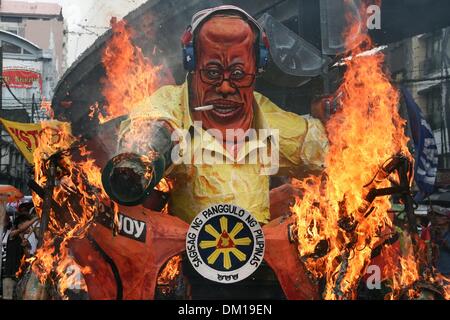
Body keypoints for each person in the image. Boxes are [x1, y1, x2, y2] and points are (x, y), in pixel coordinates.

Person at [103, 5, 329, 225]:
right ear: (192, 62)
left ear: (257, 65)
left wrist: (341, 116)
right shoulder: (172, 105)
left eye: (238, 74)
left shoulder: (263, 114)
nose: (225, 88)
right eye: (212, 73)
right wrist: (139, 161)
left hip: (256, 254)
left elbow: (319, 148)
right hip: (185, 255)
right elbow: (148, 128)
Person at [2, 213, 39, 300]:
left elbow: (28, 258)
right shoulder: (12, 235)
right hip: (8, 275)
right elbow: (21, 229)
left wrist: (25, 247)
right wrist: (36, 218)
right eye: (27, 223)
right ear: (20, 225)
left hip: (19, 276)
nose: (30, 227)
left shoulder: (25, 241)